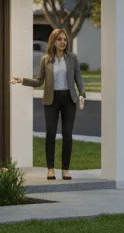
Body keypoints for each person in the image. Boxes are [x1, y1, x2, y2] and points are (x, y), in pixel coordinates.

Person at [11, 28, 86, 181]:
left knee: (67, 135)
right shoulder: (45, 59)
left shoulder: (72, 58)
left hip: (69, 99)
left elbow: (78, 77)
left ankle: (65, 170)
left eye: (65, 39)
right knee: (50, 134)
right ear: (53, 41)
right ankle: (50, 169)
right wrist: (23, 80)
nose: (63, 42)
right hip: (51, 100)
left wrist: (82, 93)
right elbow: (39, 81)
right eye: (59, 39)